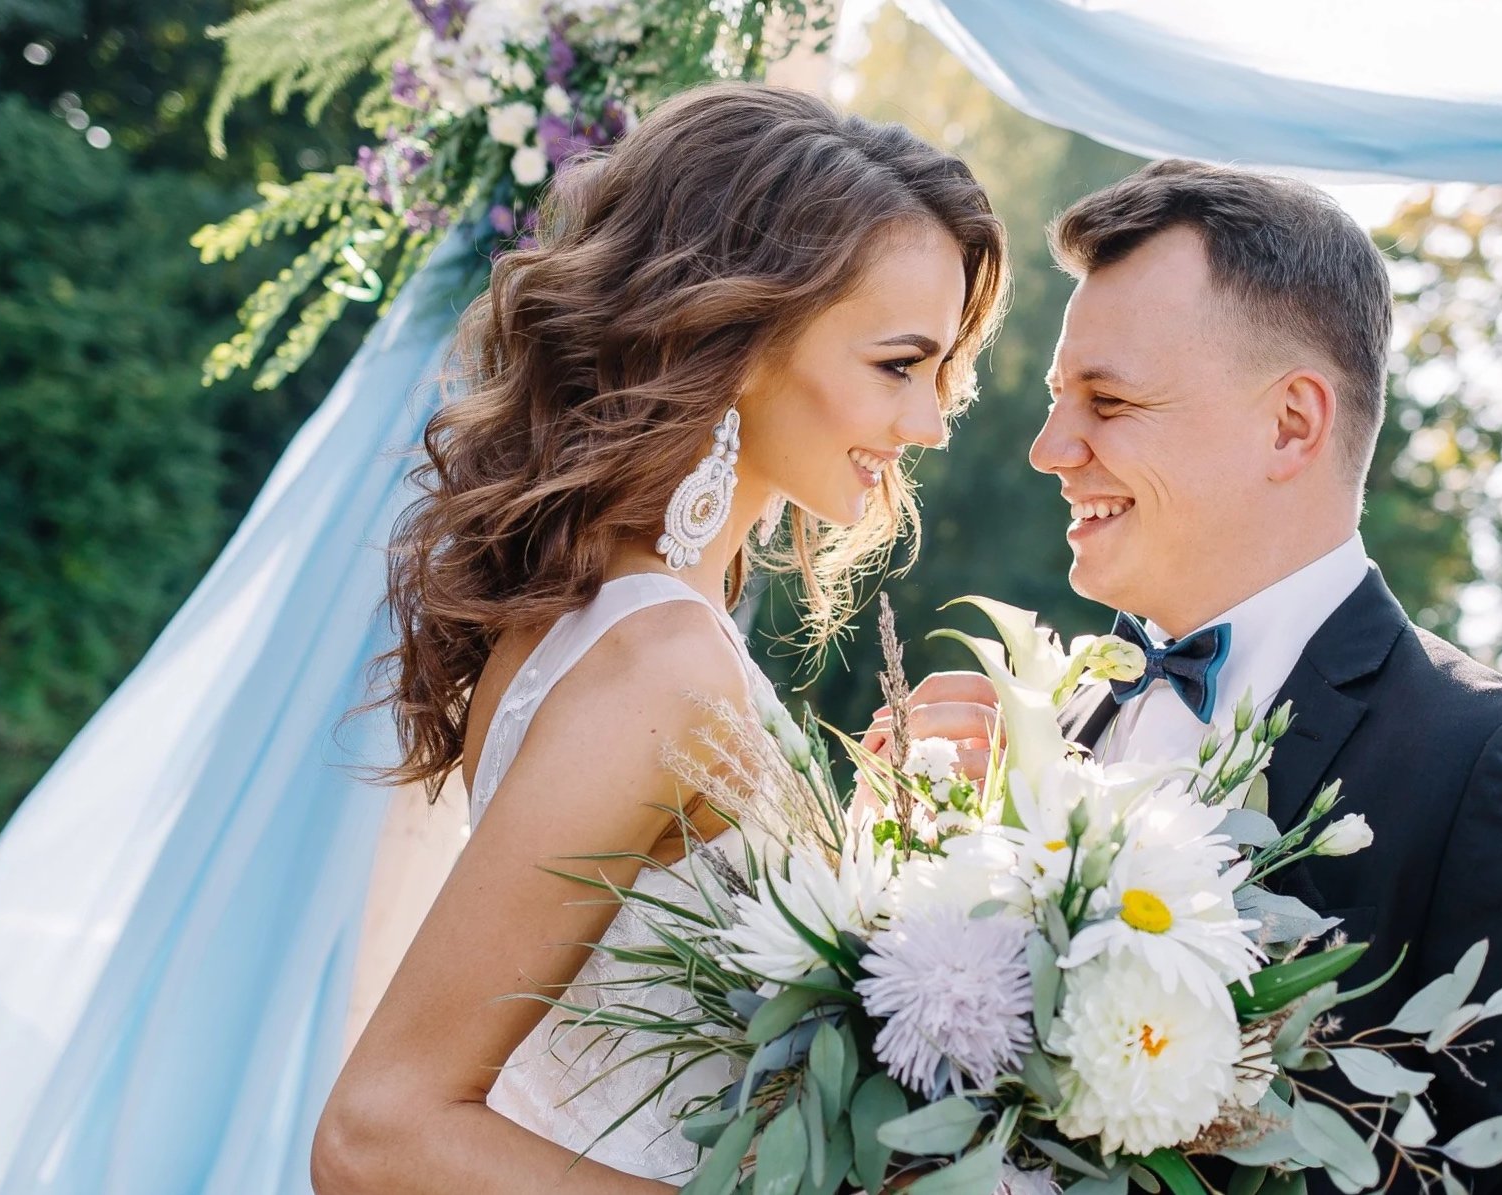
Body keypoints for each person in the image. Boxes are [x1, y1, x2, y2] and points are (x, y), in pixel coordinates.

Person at [888, 159, 1502, 1192]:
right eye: (1061, 397)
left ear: (1291, 423)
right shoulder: (1054, 726)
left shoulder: (1499, 767)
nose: (1051, 447)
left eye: (1107, 399)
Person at [310, 82, 1007, 1192]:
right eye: (895, 365)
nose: (925, 421)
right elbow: (374, 1133)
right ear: (738, 341)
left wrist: (873, 847)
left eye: (941, 376)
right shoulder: (657, 660)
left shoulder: (618, 616)